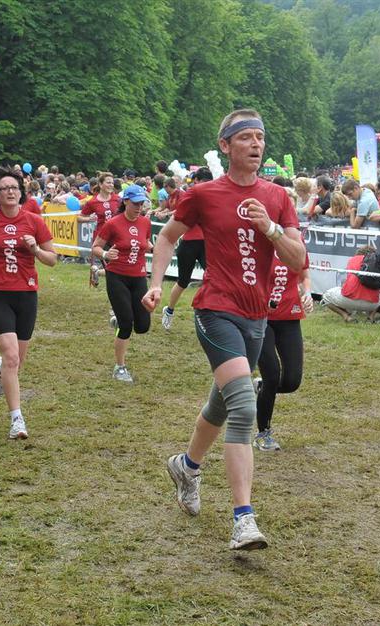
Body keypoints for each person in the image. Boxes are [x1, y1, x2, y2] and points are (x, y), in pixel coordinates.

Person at [142, 108, 306, 550]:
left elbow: (297, 260)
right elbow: (166, 237)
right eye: (247, 137)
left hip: (257, 318)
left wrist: (269, 228)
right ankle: (243, 519)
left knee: (221, 404)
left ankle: (186, 466)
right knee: (244, 406)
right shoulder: (203, 194)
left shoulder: (277, 197)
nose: (256, 144)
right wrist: (156, 284)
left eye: (261, 137)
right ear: (225, 145)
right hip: (215, 310)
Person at [0, 167, 57, 440]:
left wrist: (35, 249)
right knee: (12, 357)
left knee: (17, 362)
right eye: (5, 188)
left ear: (21, 193)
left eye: (14, 188)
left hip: (26, 294)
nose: (10, 191)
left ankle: (0, 370)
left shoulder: (34, 221)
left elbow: (52, 259)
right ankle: (17, 419)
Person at [253, 244, 312, 451]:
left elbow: (304, 276)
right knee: (272, 374)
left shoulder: (296, 243)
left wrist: (307, 293)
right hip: (260, 317)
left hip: (289, 317)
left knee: (292, 381)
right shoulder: (257, 242)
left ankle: (262, 388)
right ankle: (263, 434)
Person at [91, 184, 153, 382]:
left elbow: (145, 243)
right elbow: (96, 247)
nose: (139, 207)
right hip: (117, 276)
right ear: (126, 201)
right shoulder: (113, 224)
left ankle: (119, 319)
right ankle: (120, 367)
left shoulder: (145, 222)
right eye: (135, 203)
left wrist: (153, 247)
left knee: (142, 326)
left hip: (139, 277)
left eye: (141, 203)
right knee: (126, 324)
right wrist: (105, 254)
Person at [161, 167, 213, 330]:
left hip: (205, 243)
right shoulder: (191, 195)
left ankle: (210, 313)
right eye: (203, 181)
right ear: (196, 181)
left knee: (213, 278)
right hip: (189, 243)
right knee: (183, 281)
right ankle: (169, 310)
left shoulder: (213, 196)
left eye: (209, 182)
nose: (206, 185)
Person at [322, 246, 380, 322]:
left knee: (326, 296)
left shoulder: (353, 260)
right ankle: (370, 317)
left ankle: (346, 316)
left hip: (348, 300)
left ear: (358, 253)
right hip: (372, 304)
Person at [79, 172, 121, 289]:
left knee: (118, 267)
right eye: (108, 182)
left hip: (117, 237)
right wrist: (89, 218)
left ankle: (97, 271)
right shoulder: (92, 202)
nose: (111, 185)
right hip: (102, 239)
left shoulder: (118, 199)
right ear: (101, 184)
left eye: (112, 183)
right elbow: (79, 218)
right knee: (113, 270)